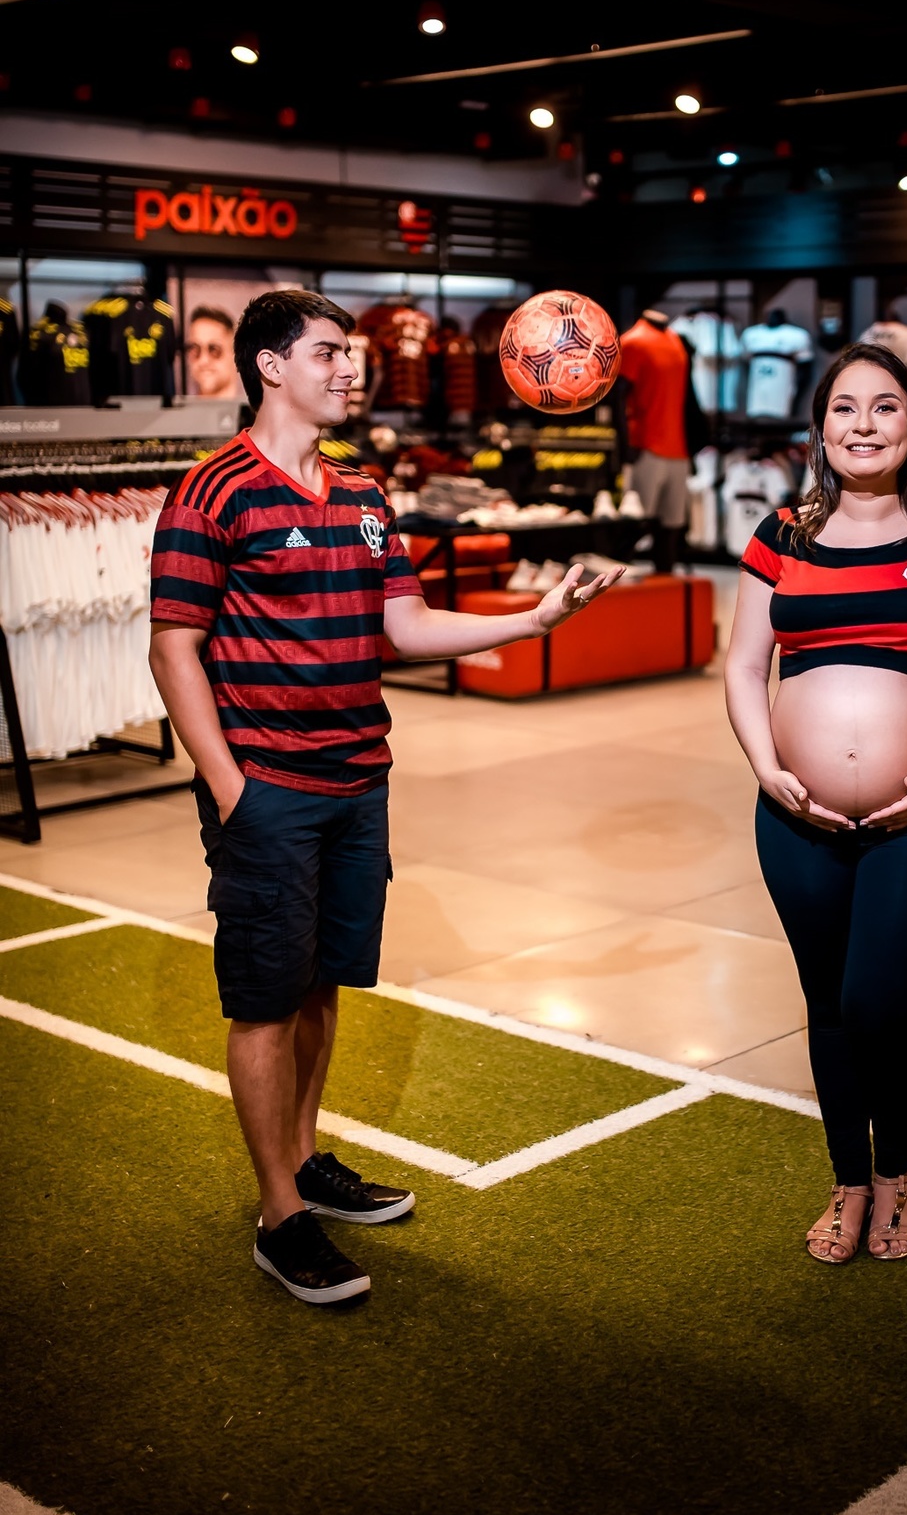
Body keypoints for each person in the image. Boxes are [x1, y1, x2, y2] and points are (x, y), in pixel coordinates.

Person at [149, 290, 621, 1306]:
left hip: (361, 782)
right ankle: (281, 1215)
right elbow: (173, 645)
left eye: (353, 353)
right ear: (270, 365)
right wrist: (232, 789)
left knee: (321, 983)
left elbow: (403, 628)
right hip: (267, 792)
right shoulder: (211, 490)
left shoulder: (365, 493)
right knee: (266, 1002)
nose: (352, 369)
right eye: (329, 352)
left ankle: (306, 1157)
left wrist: (533, 619)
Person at [724, 343, 907, 1264]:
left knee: (879, 1003)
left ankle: (899, 1177)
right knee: (827, 1001)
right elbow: (741, 666)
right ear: (820, 429)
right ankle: (851, 1182)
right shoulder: (780, 537)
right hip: (795, 818)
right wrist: (768, 765)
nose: (863, 425)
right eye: (845, 408)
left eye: (884, 408)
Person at [616, 309, 691, 573]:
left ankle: (666, 591)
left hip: (678, 448)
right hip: (645, 447)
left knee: (671, 525)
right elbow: (619, 397)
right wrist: (625, 446)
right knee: (635, 523)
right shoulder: (633, 341)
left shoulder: (674, 339)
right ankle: (617, 591)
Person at [185, 305, 238, 399]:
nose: (203, 361)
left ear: (235, 355)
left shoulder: (258, 412)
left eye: (214, 350)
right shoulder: (178, 413)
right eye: (195, 349)